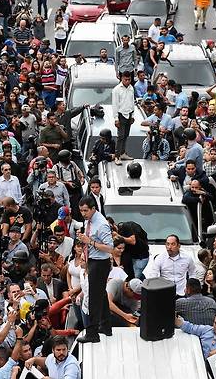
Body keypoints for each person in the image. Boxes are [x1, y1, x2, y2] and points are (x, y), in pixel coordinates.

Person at [76, 196, 114, 343]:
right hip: (93, 260)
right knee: (101, 294)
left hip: (100, 263)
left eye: (85, 210)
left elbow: (110, 248)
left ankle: (92, 333)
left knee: (93, 298)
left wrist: (90, 241)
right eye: (81, 211)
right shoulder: (90, 220)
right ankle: (105, 326)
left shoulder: (102, 224)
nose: (83, 214)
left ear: (93, 208)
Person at [112, 71, 136, 165]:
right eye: (125, 79)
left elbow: (132, 102)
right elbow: (115, 104)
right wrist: (116, 118)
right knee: (120, 136)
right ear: (121, 79)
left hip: (129, 113)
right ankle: (117, 156)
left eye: (129, 79)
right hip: (121, 114)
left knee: (126, 135)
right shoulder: (116, 89)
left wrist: (133, 115)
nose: (127, 81)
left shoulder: (131, 88)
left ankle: (122, 153)